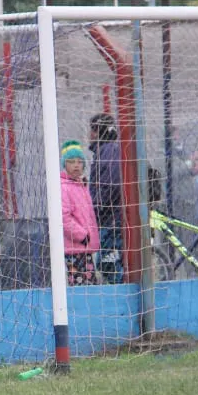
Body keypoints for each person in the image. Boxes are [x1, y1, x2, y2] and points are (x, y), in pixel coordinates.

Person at [88, 113, 123, 284]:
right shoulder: (105, 151)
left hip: (111, 220)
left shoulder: (108, 151)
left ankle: (126, 288)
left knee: (107, 262)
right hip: (109, 219)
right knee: (107, 261)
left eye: (93, 129)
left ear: (98, 131)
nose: (90, 134)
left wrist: (96, 206)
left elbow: (111, 184)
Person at [59, 140, 100, 286]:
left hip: (84, 249)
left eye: (79, 161)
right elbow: (63, 217)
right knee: (79, 287)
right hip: (74, 249)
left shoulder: (81, 186)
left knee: (91, 285)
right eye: (71, 161)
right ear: (65, 164)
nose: (76, 165)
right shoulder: (63, 187)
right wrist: (82, 235)